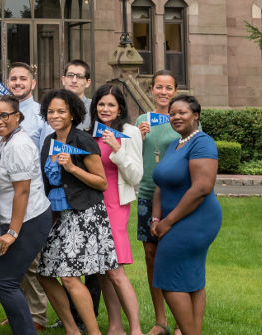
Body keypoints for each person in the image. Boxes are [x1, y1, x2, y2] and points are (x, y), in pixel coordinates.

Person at [36, 89, 118, 335]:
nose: (55, 115)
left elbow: (101, 182)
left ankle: (93, 332)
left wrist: (72, 168)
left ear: (72, 114)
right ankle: (72, 329)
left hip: (85, 214)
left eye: (61, 111)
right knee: (45, 273)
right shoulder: (50, 141)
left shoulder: (82, 141)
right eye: (51, 111)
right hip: (59, 217)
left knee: (69, 277)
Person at [150, 95, 221, 335]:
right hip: (173, 219)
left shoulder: (202, 143)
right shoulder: (175, 145)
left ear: (196, 115)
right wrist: (156, 218)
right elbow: (160, 184)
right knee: (192, 277)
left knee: (167, 277)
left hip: (196, 219)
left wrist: (168, 222)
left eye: (182, 112)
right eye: (172, 114)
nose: (176, 117)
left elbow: (202, 188)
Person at [0, 95, 53, 335]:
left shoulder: (19, 145)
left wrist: (12, 233)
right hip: (13, 220)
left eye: (4, 115)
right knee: (2, 280)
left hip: (28, 221)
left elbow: (22, 191)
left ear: (17, 116)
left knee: (4, 281)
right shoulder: (4, 139)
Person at [89, 85, 145, 335]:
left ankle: (135, 329)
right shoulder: (89, 133)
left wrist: (118, 150)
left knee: (115, 269)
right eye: (101, 104)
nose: (105, 109)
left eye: (111, 105)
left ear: (120, 107)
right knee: (102, 269)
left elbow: (136, 177)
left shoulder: (129, 133)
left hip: (115, 204)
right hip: (91, 204)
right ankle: (115, 326)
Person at [135, 70, 184, 335]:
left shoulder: (183, 119)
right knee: (151, 256)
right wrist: (138, 137)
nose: (163, 92)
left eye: (168, 88)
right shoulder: (143, 119)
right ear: (151, 90)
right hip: (146, 193)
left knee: (175, 257)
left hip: (174, 197)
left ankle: (181, 322)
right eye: (158, 87)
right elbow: (134, 155)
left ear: (175, 91)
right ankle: (160, 320)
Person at [61, 59, 93, 131]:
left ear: (88, 82)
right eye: (70, 75)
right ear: (63, 80)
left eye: (80, 76)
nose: (74, 80)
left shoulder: (94, 108)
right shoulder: (53, 108)